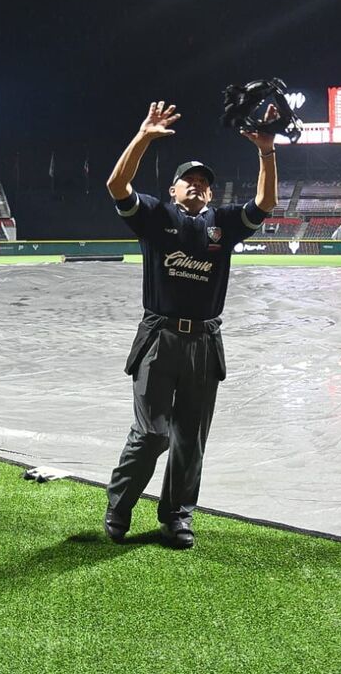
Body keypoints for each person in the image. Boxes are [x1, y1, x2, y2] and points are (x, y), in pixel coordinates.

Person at [103, 100, 278, 549]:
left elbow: (265, 203)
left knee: (190, 439)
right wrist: (143, 137)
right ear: (173, 189)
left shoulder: (223, 225)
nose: (197, 185)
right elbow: (117, 185)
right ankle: (119, 505)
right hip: (160, 338)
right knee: (152, 434)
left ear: (211, 195)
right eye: (189, 180)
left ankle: (177, 516)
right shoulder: (155, 217)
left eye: (204, 182)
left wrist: (266, 150)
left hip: (204, 343)